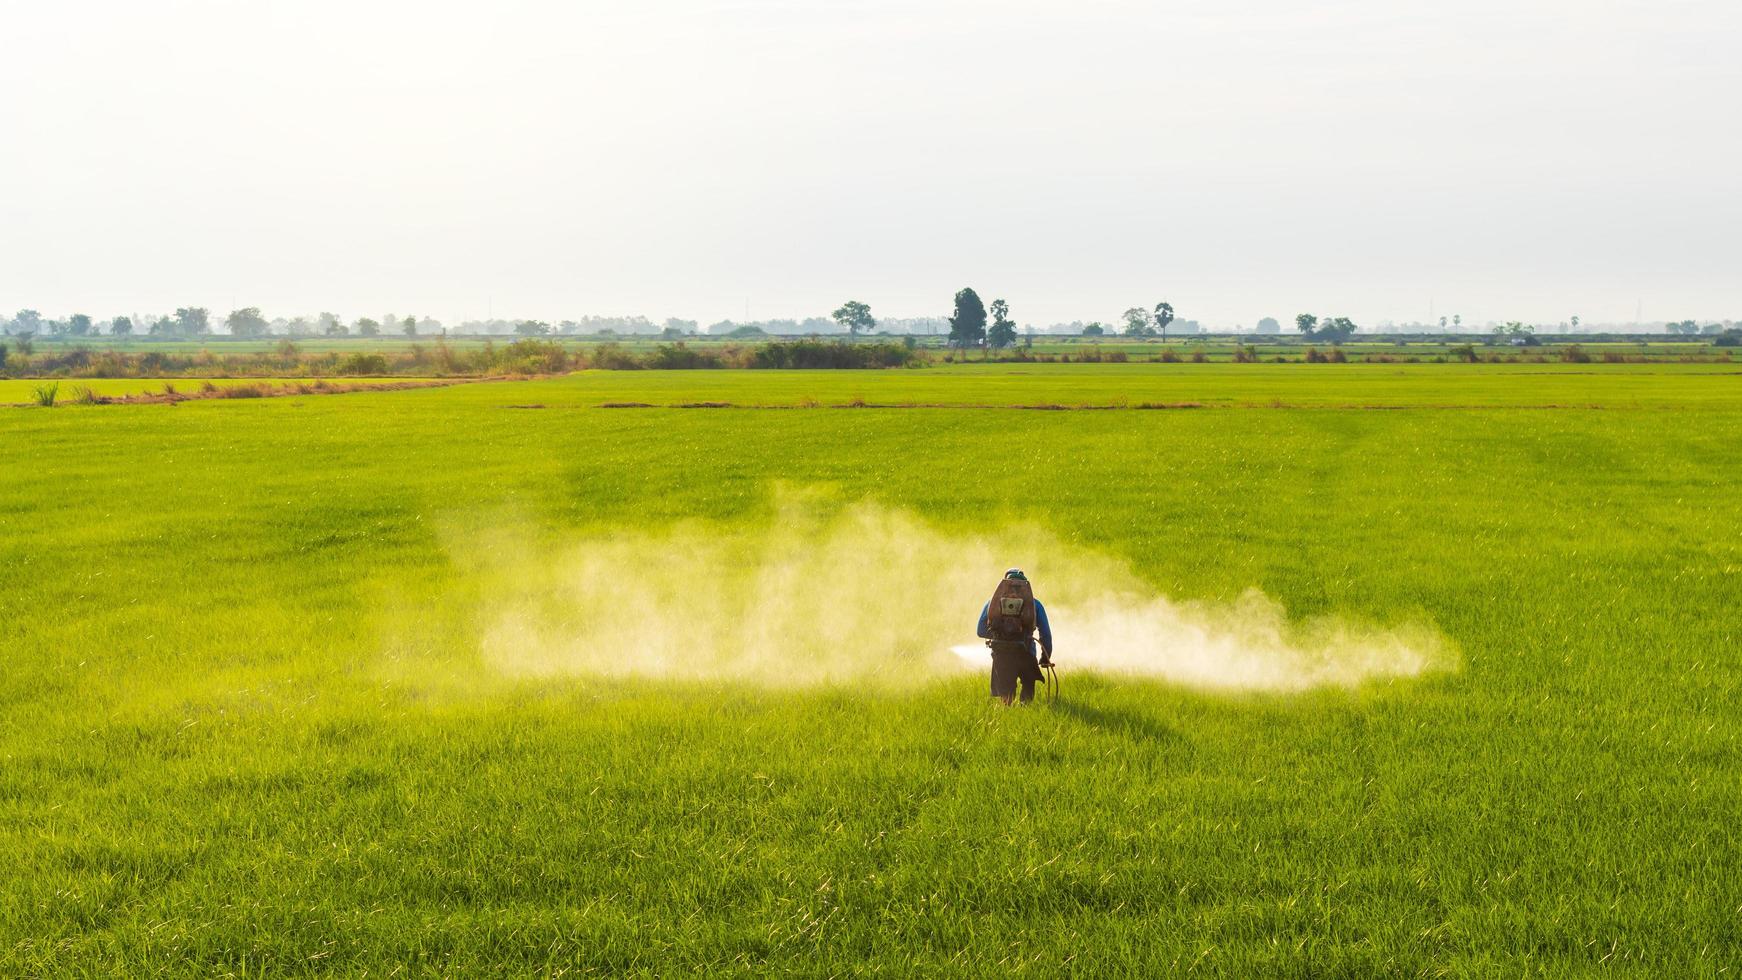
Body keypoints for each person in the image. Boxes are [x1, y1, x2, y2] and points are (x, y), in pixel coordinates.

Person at [976, 568, 1053, 705]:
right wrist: (1045, 657)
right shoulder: (1035, 604)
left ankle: (1008, 714)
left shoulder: (992, 603)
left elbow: (980, 630)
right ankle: (1026, 712)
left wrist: (998, 635)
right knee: (1028, 687)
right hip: (1027, 653)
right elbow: (1045, 633)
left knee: (1006, 693)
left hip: (1001, 654)